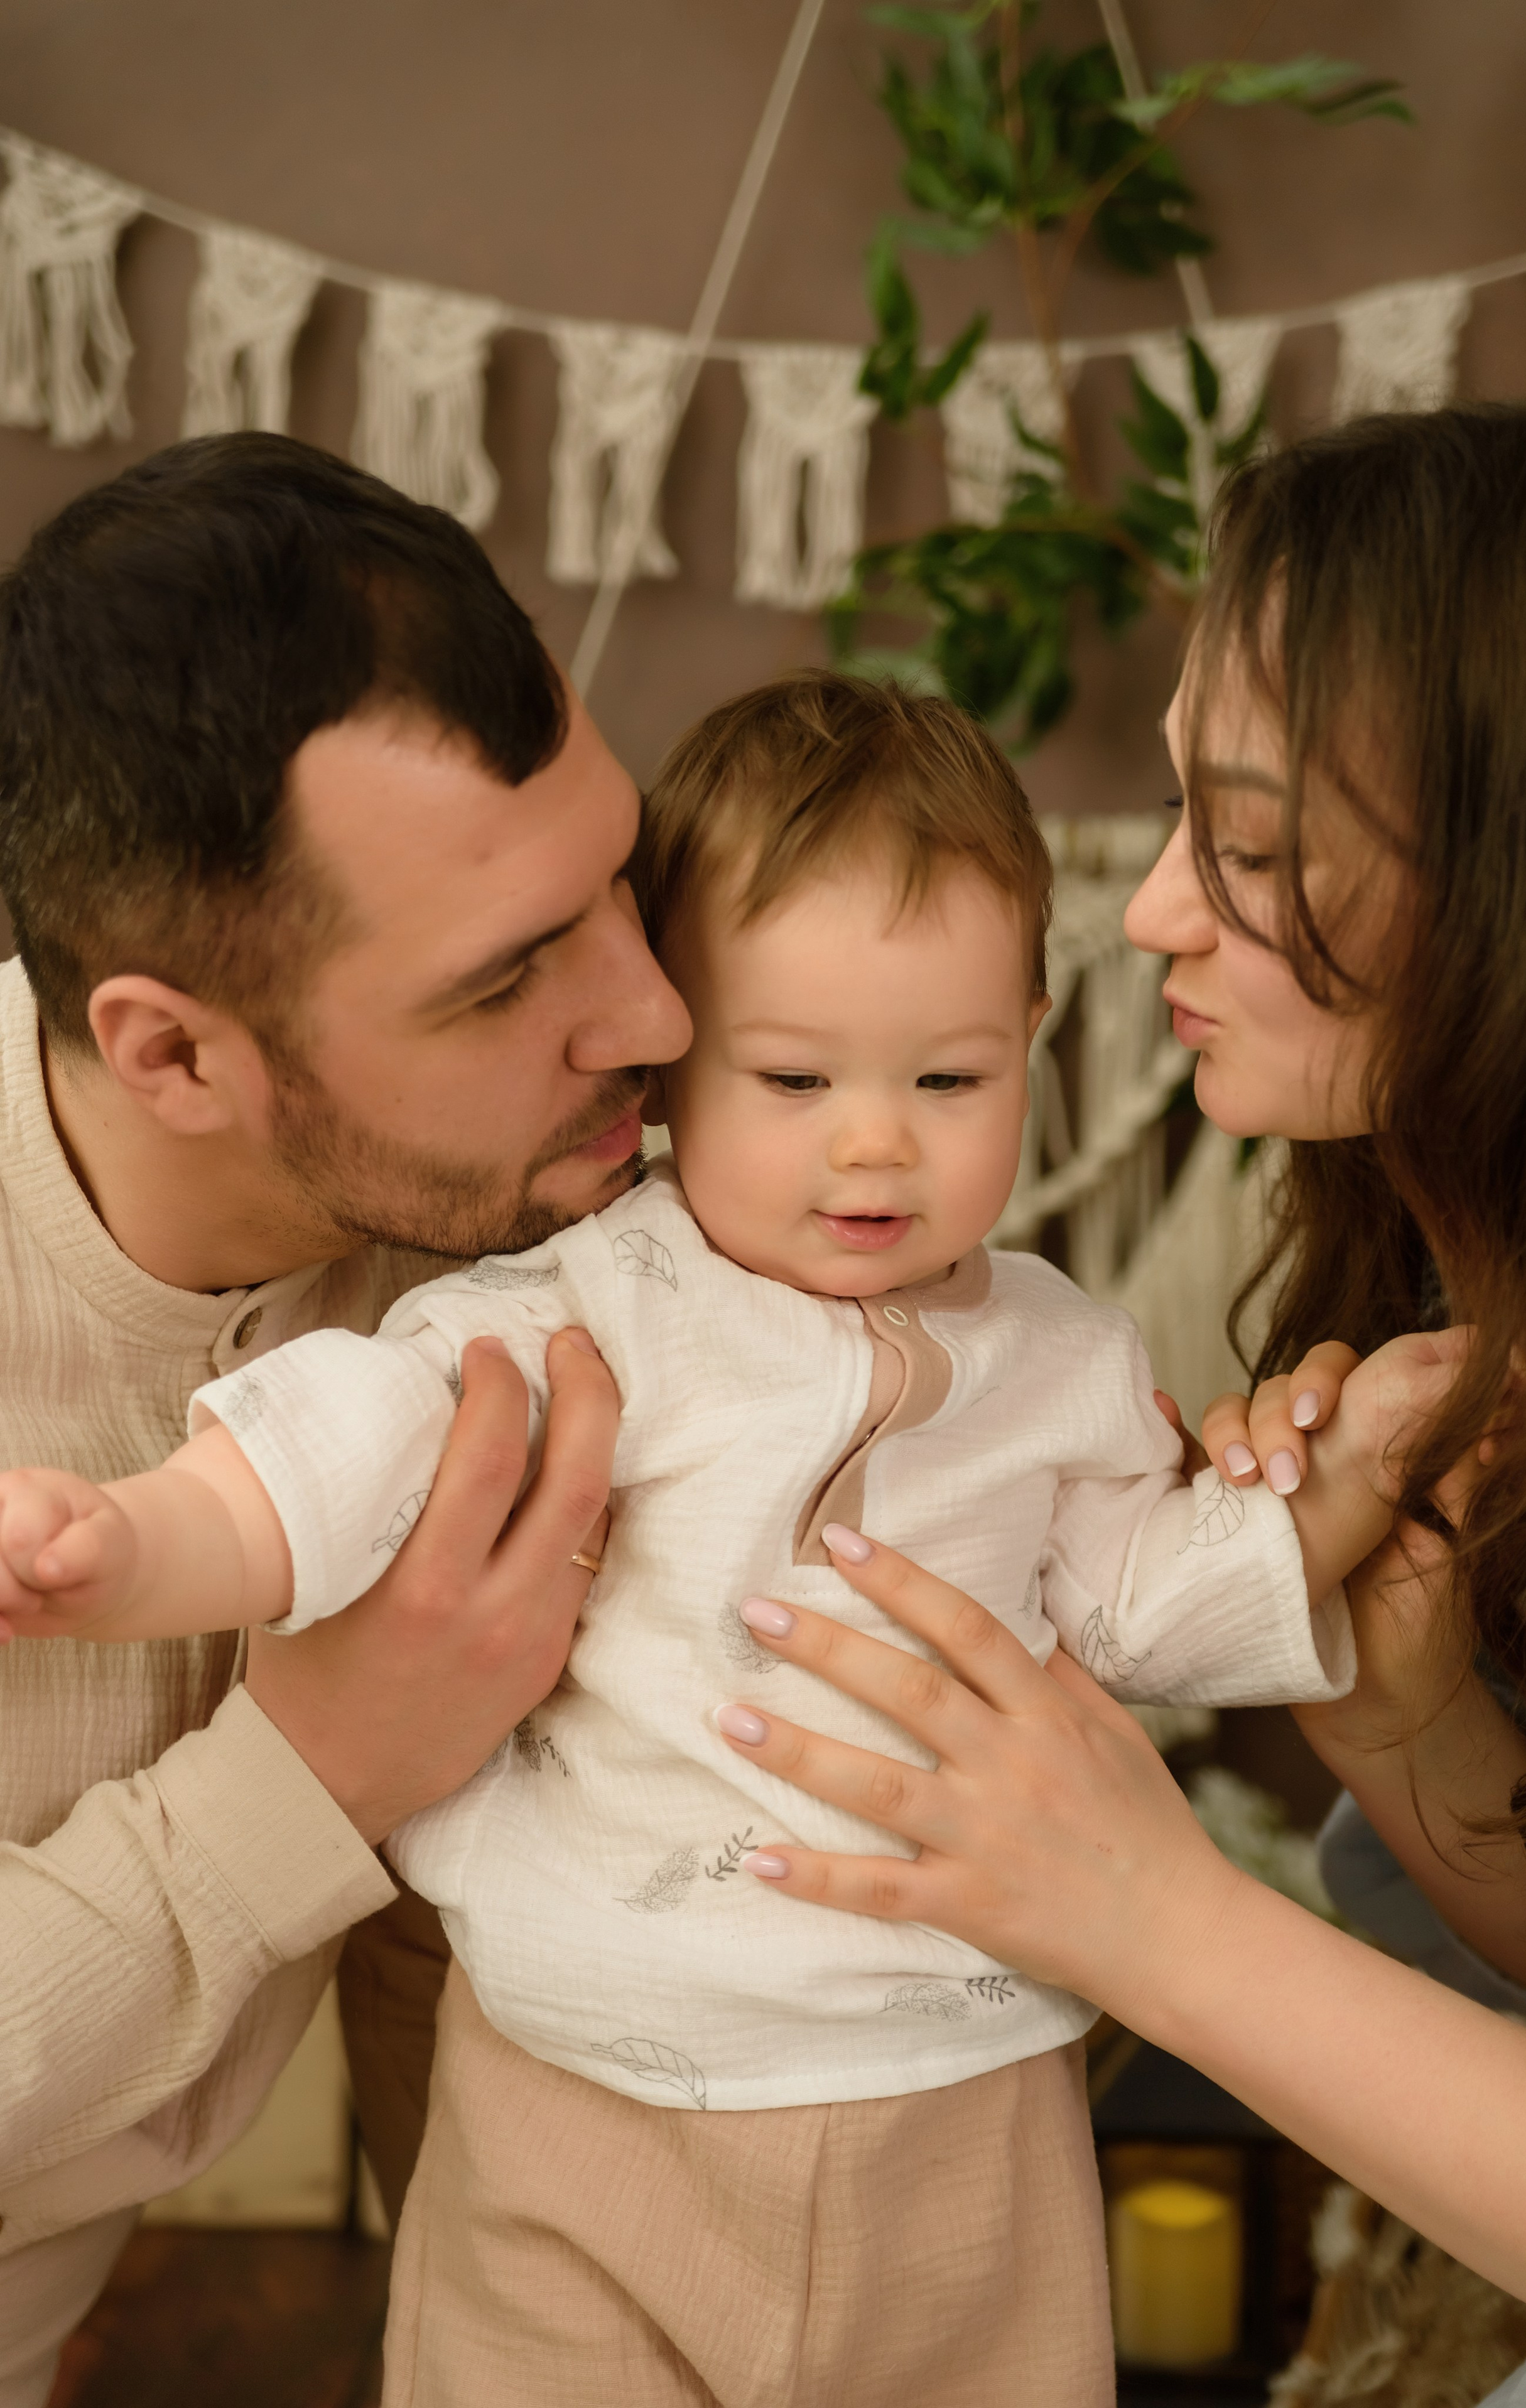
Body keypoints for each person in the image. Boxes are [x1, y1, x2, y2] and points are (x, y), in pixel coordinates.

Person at [0, 673, 1436, 2408]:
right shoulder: (598, 1296)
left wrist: (1340, 1489)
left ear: (1037, 1036)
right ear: (681, 1061)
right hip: (591, 2095)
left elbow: (1140, 1602)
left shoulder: (1066, 1354)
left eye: (951, 1072)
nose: (874, 1138)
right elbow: (348, 1452)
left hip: (963, 2096)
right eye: (795, 1073)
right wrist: (142, 1543)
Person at [703, 410, 1526, 2380]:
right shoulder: (1468, 1295)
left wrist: (1156, 1918)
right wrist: (1400, 1703)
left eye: (1255, 846)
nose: (1155, 911)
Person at [0, 431, 687, 2408]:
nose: (654, 1015)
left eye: (616, 882)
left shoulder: (528, 1237)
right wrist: (316, 1767)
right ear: (176, 1051)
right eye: (505, 983)